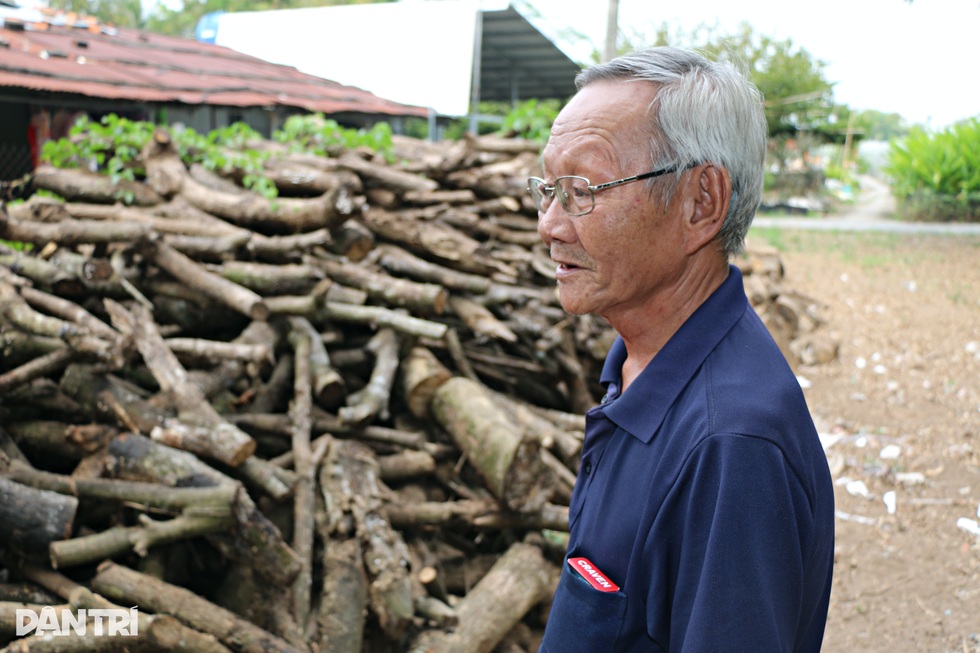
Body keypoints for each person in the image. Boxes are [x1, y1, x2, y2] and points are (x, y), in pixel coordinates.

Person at [530, 46, 835, 652]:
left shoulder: (730, 448)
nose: (550, 225)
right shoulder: (640, 363)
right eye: (548, 188)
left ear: (701, 203)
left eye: (584, 188)